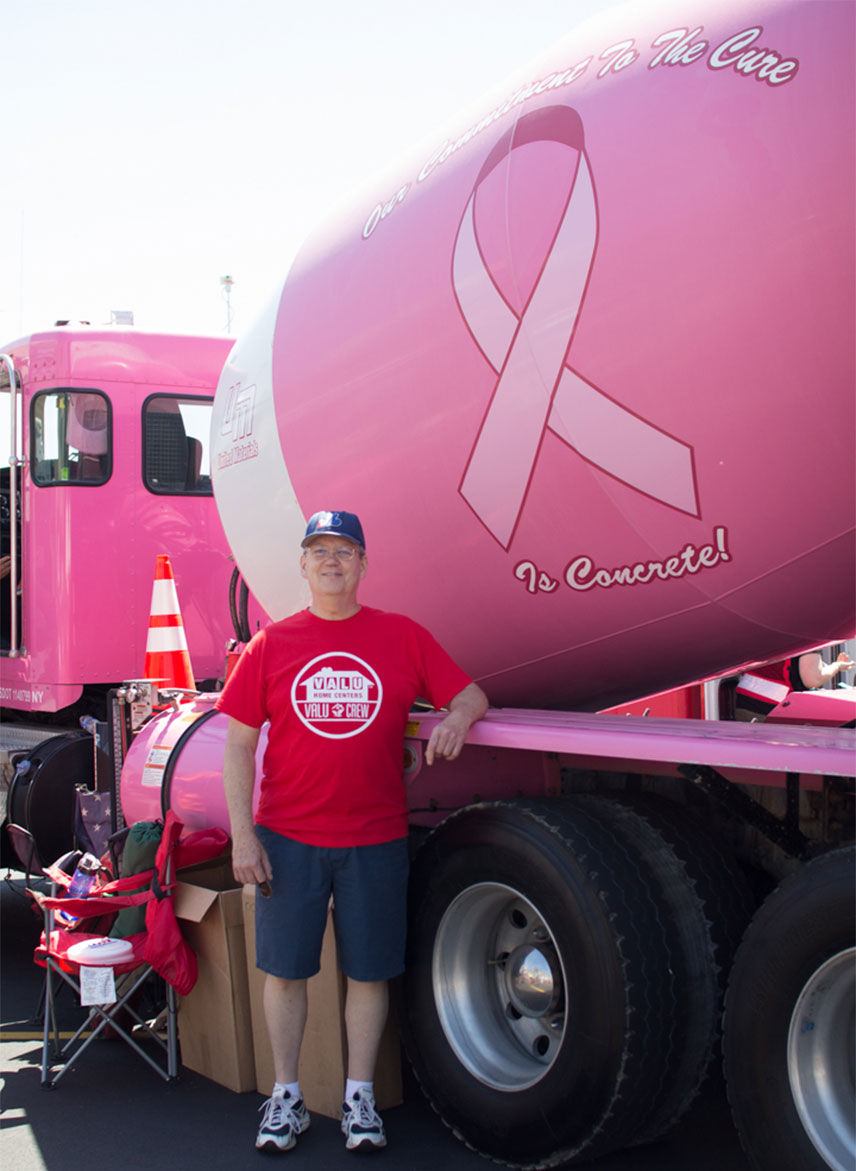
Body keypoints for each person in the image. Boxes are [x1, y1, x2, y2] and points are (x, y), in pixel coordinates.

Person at [215, 509, 488, 1156]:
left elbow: (472, 693)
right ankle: (285, 1095)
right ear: (303, 565)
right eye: (319, 550)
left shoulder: (402, 636)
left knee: (369, 972)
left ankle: (357, 1095)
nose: (331, 560)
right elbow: (237, 748)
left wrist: (456, 718)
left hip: (374, 837)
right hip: (287, 836)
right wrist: (242, 835)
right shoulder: (271, 645)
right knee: (285, 971)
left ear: (363, 564)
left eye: (344, 549)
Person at [735, 648, 855, 719]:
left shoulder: (774, 623)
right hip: (773, 713)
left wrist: (827, 667)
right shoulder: (810, 632)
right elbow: (813, 680)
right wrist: (837, 666)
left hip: (744, 705)